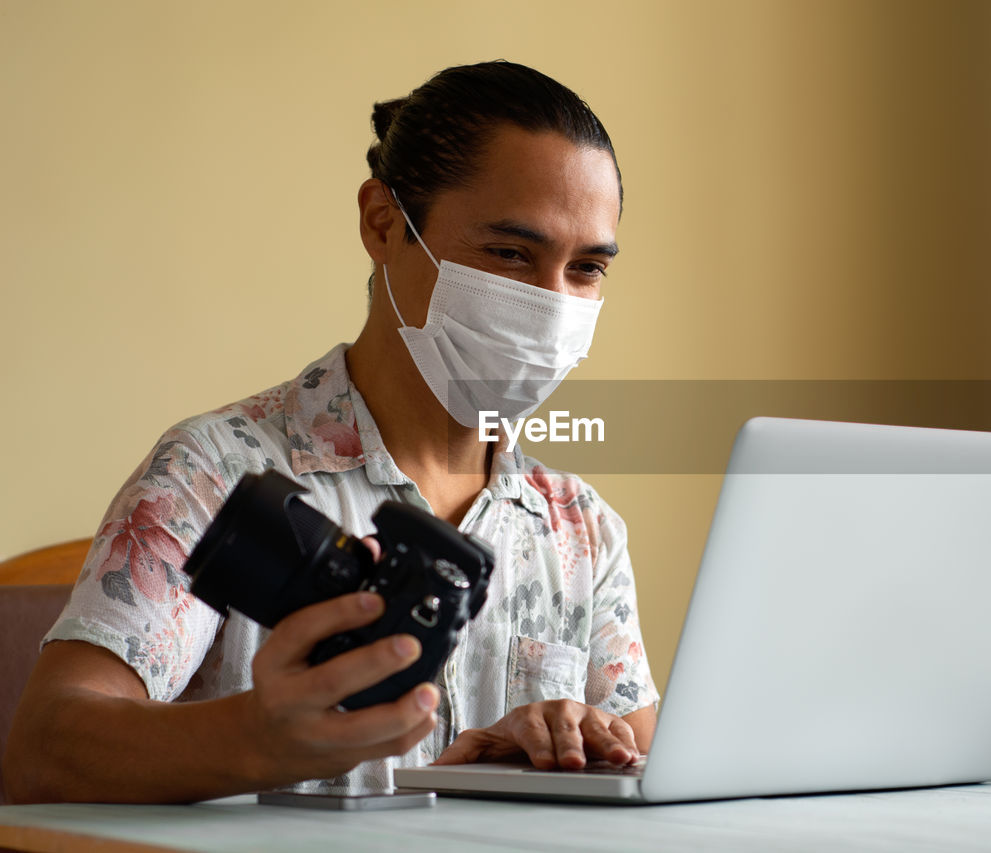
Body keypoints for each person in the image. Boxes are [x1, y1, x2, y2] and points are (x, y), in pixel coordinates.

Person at [2, 61, 659, 804]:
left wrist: (565, 748)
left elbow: (654, 772)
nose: (551, 306)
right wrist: (256, 737)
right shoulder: (216, 476)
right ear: (383, 223)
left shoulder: (583, 529)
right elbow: (42, 750)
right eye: (510, 254)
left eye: (587, 268)